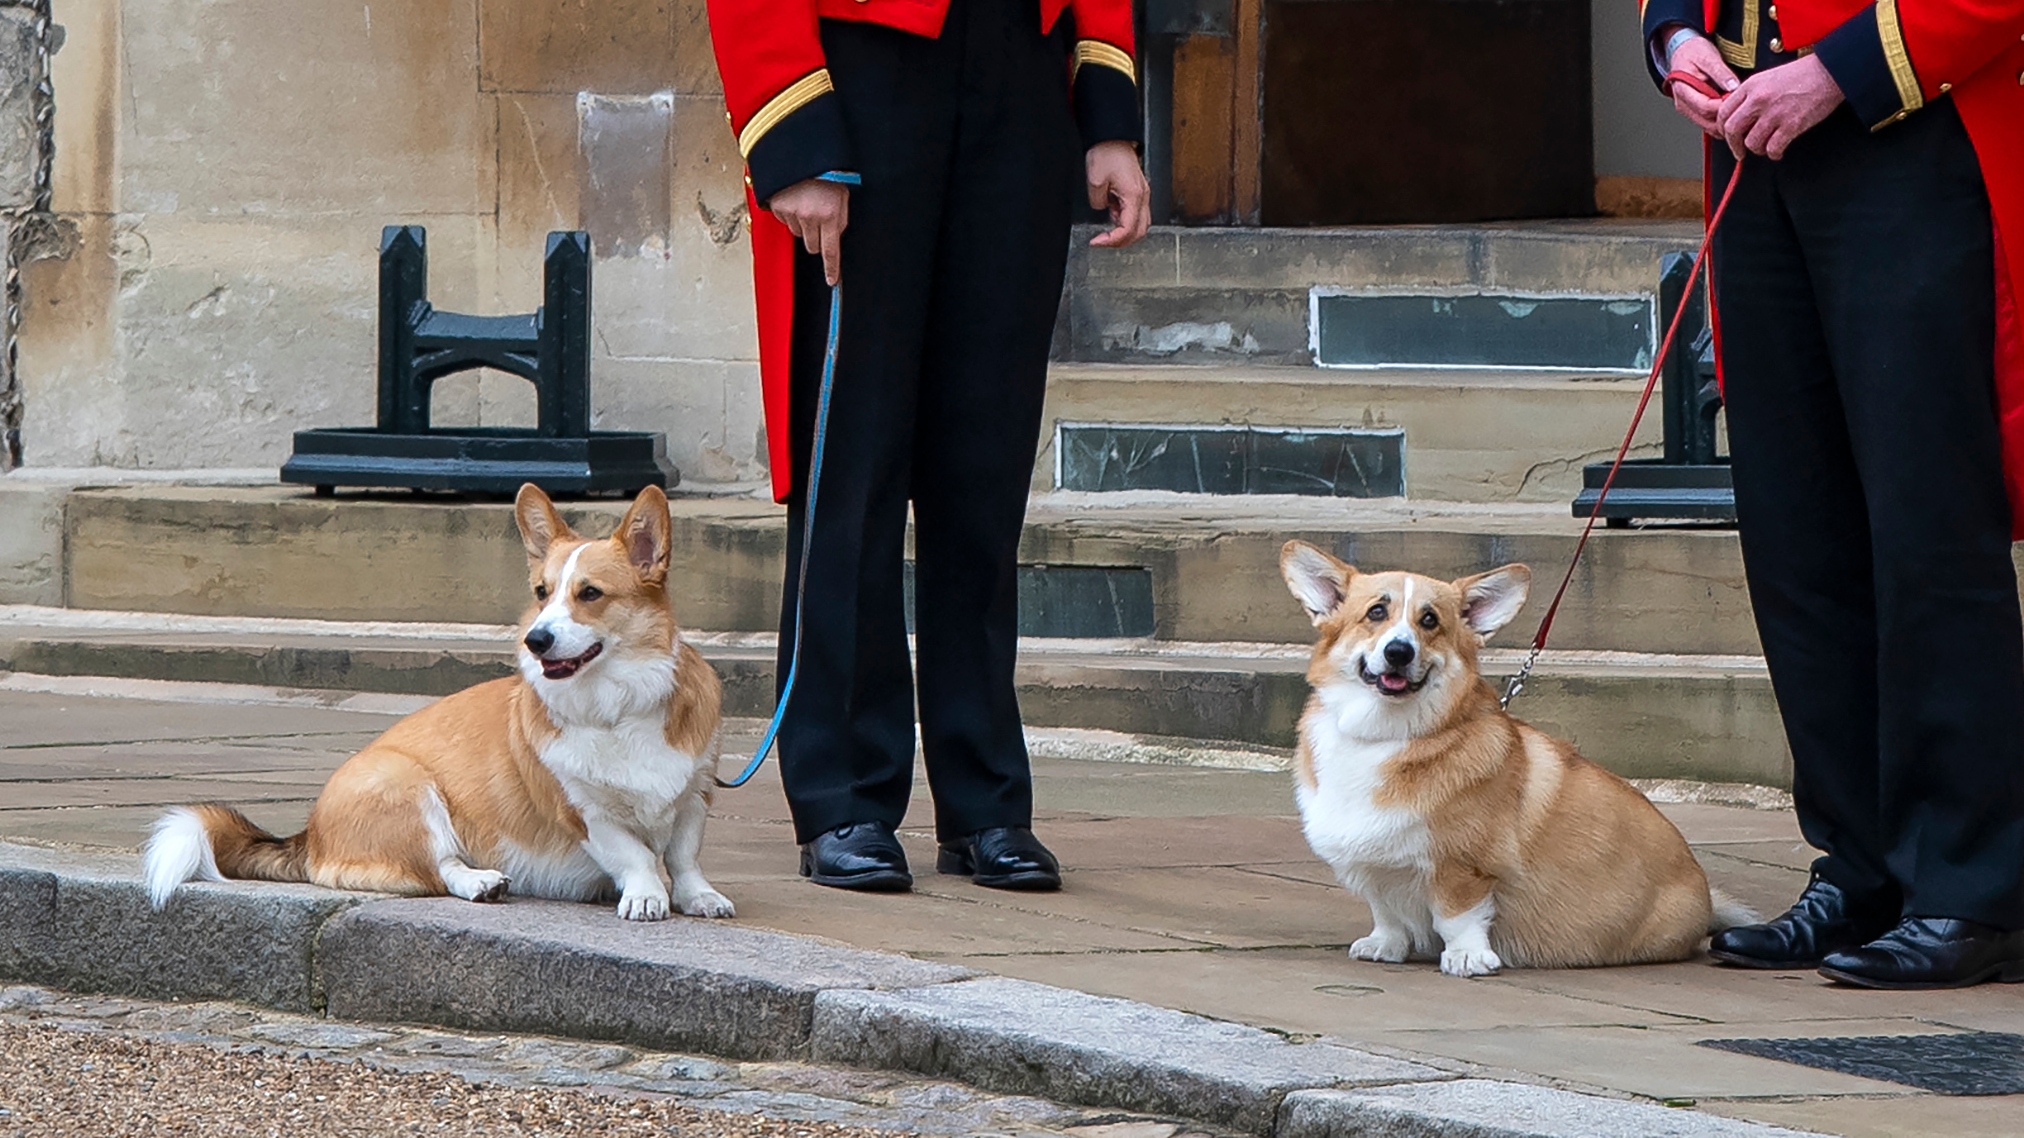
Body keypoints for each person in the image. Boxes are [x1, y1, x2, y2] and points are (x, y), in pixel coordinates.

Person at [705, 0, 1149, 892]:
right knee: (855, 463)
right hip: (863, 76)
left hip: (1017, 68)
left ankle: (985, 802)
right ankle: (846, 798)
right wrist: (794, 128)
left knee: (982, 471)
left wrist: (1107, 115)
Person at [1641, 0, 2024, 987]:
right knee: (1796, 532)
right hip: (1750, 146)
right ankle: (1857, 867)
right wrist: (1677, 35)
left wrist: (1835, 72)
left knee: (1924, 527)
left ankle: (1971, 886)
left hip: (1904, 134)